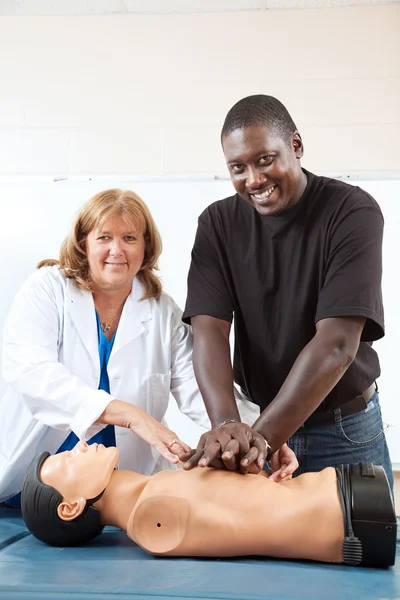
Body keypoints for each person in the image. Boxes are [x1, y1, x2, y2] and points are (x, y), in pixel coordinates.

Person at [182, 94, 393, 490]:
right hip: (257, 425)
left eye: (265, 159)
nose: (254, 180)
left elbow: (336, 346)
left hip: (343, 431)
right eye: (238, 168)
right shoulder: (217, 224)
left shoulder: (352, 212)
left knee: (362, 549)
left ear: (295, 146)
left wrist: (258, 441)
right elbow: (208, 332)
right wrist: (229, 426)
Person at [0, 188, 215, 504]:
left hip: (121, 491)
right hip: (31, 486)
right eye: (104, 238)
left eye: (129, 238)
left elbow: (201, 388)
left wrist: (253, 435)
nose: (117, 250)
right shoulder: (47, 289)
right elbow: (34, 374)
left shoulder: (162, 311)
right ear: (84, 243)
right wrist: (129, 415)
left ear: (146, 247)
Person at [20, 440, 397, 568]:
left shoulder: (156, 493)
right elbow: (257, 524)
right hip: (349, 514)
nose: (81, 446)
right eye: (69, 460)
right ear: (70, 506)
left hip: (350, 501)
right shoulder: (153, 520)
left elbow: (247, 503)